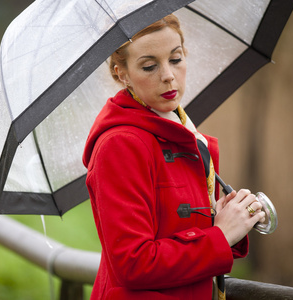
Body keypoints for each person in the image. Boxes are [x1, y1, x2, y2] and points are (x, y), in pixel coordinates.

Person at [82, 14, 266, 300]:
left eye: (176, 59)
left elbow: (182, 234)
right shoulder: (119, 145)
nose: (168, 75)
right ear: (122, 73)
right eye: (149, 66)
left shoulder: (184, 133)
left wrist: (230, 218)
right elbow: (133, 264)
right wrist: (220, 235)